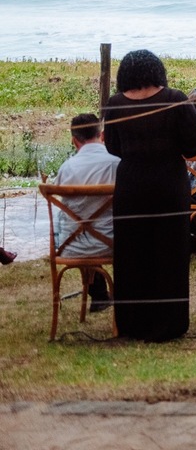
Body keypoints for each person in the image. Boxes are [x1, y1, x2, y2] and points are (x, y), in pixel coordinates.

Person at [102, 49, 196, 341]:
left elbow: (112, 146)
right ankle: (168, 323)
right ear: (157, 71)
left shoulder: (115, 104)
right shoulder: (175, 99)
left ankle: (132, 323)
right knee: (170, 251)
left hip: (131, 184)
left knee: (131, 251)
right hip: (168, 183)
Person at [53, 113, 120, 310]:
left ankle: (98, 294)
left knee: (77, 223)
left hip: (70, 246)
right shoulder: (116, 164)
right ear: (102, 135)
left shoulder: (66, 168)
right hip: (112, 245)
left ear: (74, 141)